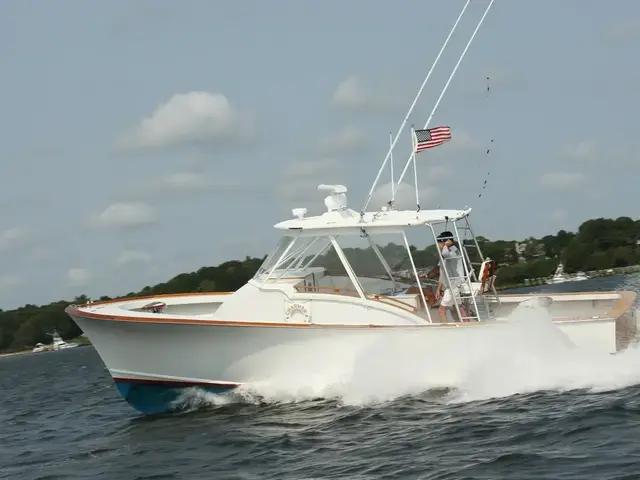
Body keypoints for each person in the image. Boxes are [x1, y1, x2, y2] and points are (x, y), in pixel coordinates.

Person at [434, 231, 469, 322]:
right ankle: (466, 324)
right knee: (459, 307)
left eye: (439, 242)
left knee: (441, 311)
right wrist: (439, 289)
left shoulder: (450, 252)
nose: (438, 245)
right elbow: (442, 273)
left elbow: (444, 254)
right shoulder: (453, 250)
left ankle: (445, 329)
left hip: (453, 285)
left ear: (445, 242)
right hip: (455, 284)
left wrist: (445, 245)